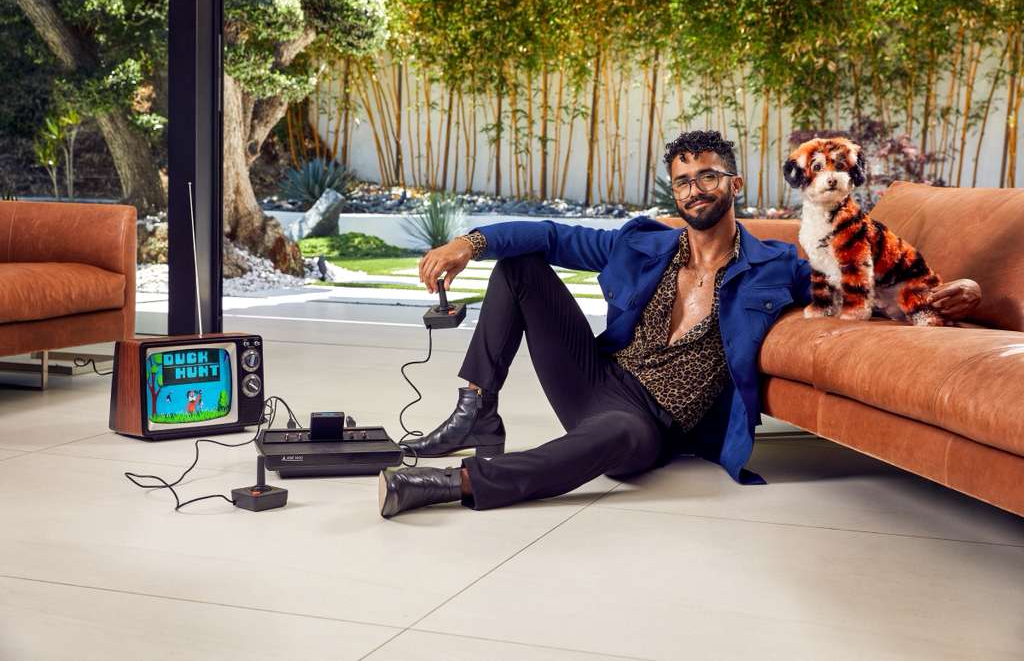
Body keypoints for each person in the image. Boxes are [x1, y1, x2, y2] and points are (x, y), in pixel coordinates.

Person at [377, 130, 982, 519]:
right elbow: (552, 235)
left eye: (709, 176)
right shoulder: (645, 244)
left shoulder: (779, 266)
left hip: (648, 421)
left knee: (612, 442)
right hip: (595, 377)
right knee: (521, 267)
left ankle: (451, 483)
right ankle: (477, 409)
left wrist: (943, 297)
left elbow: (860, 290)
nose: (696, 190)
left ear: (734, 184)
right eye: (685, 180)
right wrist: (468, 241)